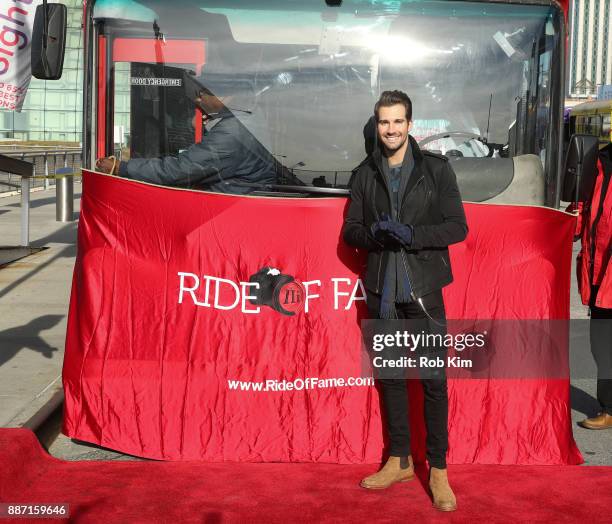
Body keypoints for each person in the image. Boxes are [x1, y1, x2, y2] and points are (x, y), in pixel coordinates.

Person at [342, 90, 467, 512]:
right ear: (376, 126)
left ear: (410, 125)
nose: (390, 129)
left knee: (433, 383)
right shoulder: (364, 175)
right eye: (384, 122)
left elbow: (456, 228)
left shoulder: (436, 170)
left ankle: (439, 470)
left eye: (397, 122)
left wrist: (415, 237)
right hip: (383, 292)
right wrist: (373, 234)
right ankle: (398, 460)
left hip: (424, 293)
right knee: (392, 379)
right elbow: (350, 231)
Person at [95, 84, 281, 194]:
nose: (198, 100)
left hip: (230, 207)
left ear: (226, 97)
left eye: (202, 94)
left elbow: (181, 170)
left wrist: (121, 167)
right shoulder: (248, 119)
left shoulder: (232, 132)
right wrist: (202, 125)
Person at [575, 143, 612, 430]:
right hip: (599, 273)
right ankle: (609, 407)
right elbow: (584, 211)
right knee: (601, 344)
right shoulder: (597, 162)